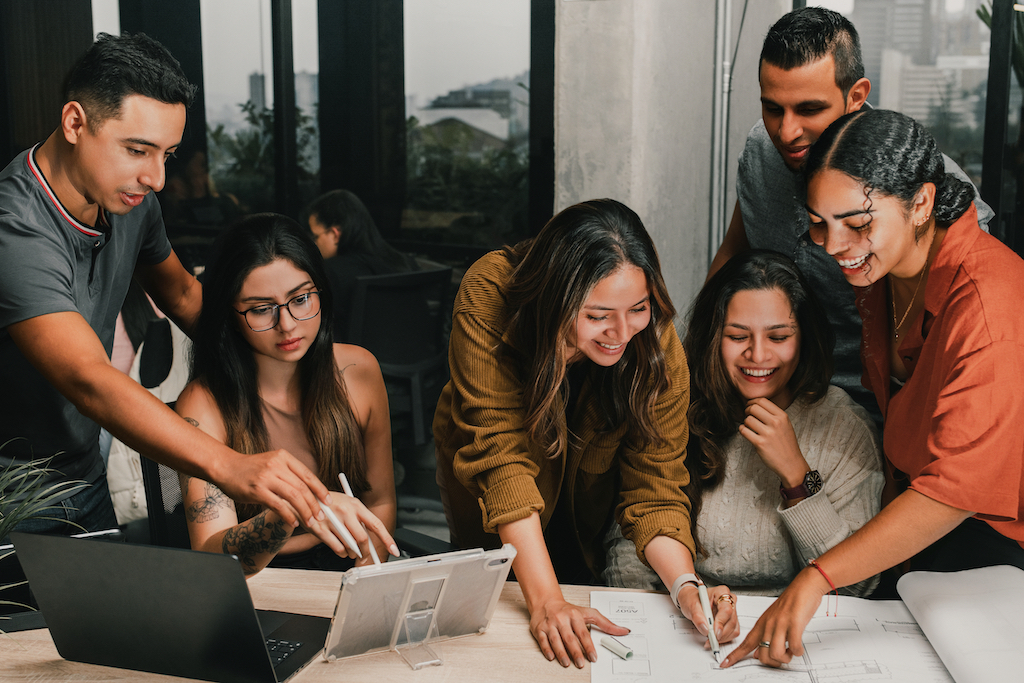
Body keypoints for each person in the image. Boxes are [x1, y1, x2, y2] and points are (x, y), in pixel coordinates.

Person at [0, 33, 338, 548]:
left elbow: (182, 295)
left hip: (79, 474)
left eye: (168, 154)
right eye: (137, 150)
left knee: (93, 628)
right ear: (75, 123)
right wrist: (229, 464)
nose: (156, 178)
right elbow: (88, 379)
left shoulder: (131, 200)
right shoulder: (14, 228)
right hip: (10, 491)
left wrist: (278, 367)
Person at [724, 109, 1024, 668]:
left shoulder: (989, 308)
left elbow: (952, 493)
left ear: (921, 204)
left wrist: (817, 577)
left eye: (857, 223)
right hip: (921, 536)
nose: (834, 246)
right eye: (819, 223)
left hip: (998, 552)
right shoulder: (884, 272)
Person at [433, 198, 740, 669]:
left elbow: (655, 492)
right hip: (493, 498)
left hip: (583, 501)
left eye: (637, 308)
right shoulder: (490, 292)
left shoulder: (654, 344)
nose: (622, 332)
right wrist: (546, 602)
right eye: (597, 315)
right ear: (556, 298)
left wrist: (684, 585)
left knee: (576, 612)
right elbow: (501, 460)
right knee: (492, 634)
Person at [707, 6, 992, 423]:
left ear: (856, 96)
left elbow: (966, 343)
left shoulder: (925, 190)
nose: (786, 132)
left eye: (808, 110)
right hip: (768, 389)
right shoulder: (762, 150)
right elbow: (735, 251)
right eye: (772, 108)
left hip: (876, 411)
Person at [175, 214, 398, 575]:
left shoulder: (359, 371)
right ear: (228, 314)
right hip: (260, 579)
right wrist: (297, 512)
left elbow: (381, 501)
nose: (288, 324)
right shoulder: (203, 405)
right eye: (261, 309)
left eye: (302, 298)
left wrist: (369, 572)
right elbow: (212, 554)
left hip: (350, 571)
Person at [673, 250, 882, 596]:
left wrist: (796, 476)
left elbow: (857, 587)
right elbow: (630, 547)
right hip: (685, 618)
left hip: (798, 629)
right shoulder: (680, 406)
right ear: (713, 337)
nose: (758, 355)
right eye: (738, 337)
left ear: (804, 338)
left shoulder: (845, 428)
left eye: (778, 337)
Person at [304, 189, 418, 341]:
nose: (314, 244)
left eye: (315, 236)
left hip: (361, 362)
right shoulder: (405, 262)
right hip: (421, 359)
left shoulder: (333, 272)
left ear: (335, 234)